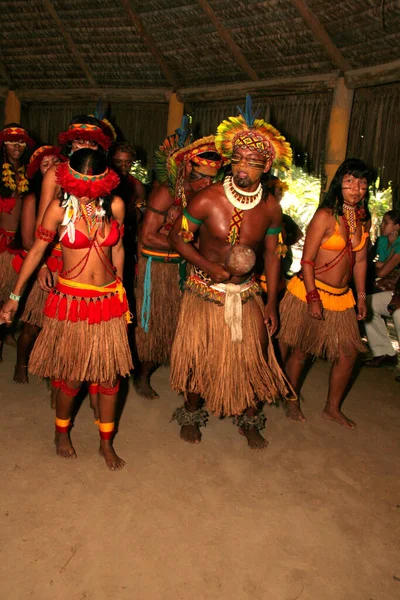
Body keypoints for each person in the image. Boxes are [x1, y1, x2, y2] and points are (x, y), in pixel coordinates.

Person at [168, 95, 295, 450]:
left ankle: (249, 419)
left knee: (252, 359)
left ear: (266, 167)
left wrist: (271, 303)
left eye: (253, 162)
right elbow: (178, 238)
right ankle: (191, 413)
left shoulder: (271, 208)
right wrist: (207, 265)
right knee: (199, 356)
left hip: (248, 293)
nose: (243, 167)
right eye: (238, 159)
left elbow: (272, 254)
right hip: (205, 291)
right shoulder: (207, 198)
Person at [0, 149, 132, 470]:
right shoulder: (59, 209)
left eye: (91, 187)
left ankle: (106, 443)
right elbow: (37, 252)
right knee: (72, 378)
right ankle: (61, 433)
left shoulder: (115, 206)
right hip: (71, 302)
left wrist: (122, 291)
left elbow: (118, 249)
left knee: (109, 377)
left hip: (107, 302)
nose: (84, 193)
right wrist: (14, 298)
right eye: (78, 185)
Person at [278, 158, 373, 429]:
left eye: (362, 183)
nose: (356, 188)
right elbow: (306, 261)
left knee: (348, 354)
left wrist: (362, 296)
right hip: (312, 290)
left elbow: (362, 261)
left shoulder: (363, 219)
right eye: (350, 182)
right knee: (302, 350)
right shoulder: (325, 215)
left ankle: (332, 408)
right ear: (338, 184)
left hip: (343, 296)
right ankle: (291, 398)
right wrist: (312, 298)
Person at [134, 133, 223, 399]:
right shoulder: (166, 191)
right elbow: (147, 236)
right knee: (156, 325)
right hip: (158, 268)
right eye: (200, 176)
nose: (206, 183)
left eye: (211, 178)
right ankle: (142, 375)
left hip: (185, 265)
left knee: (179, 324)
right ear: (186, 168)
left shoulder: (205, 195)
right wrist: (190, 249)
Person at [13, 145, 65, 383]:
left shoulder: (73, 194)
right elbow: (28, 239)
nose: (51, 166)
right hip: (45, 261)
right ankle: (21, 363)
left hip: (69, 266)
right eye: (45, 164)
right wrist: (42, 264)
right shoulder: (34, 198)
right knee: (34, 323)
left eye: (55, 161)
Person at [0, 124, 34, 358]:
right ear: (3, 144)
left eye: (21, 142)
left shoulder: (29, 174)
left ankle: (5, 334)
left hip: (18, 245)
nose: (17, 146)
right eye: (12, 141)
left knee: (10, 293)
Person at [363, 209, 400, 371]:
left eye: (386, 222)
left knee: (398, 313)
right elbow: (368, 262)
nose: (382, 225)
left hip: (396, 291)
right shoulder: (382, 241)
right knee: (367, 303)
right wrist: (378, 266)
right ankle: (384, 352)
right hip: (393, 290)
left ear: (396, 227)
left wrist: (378, 266)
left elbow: (381, 271)